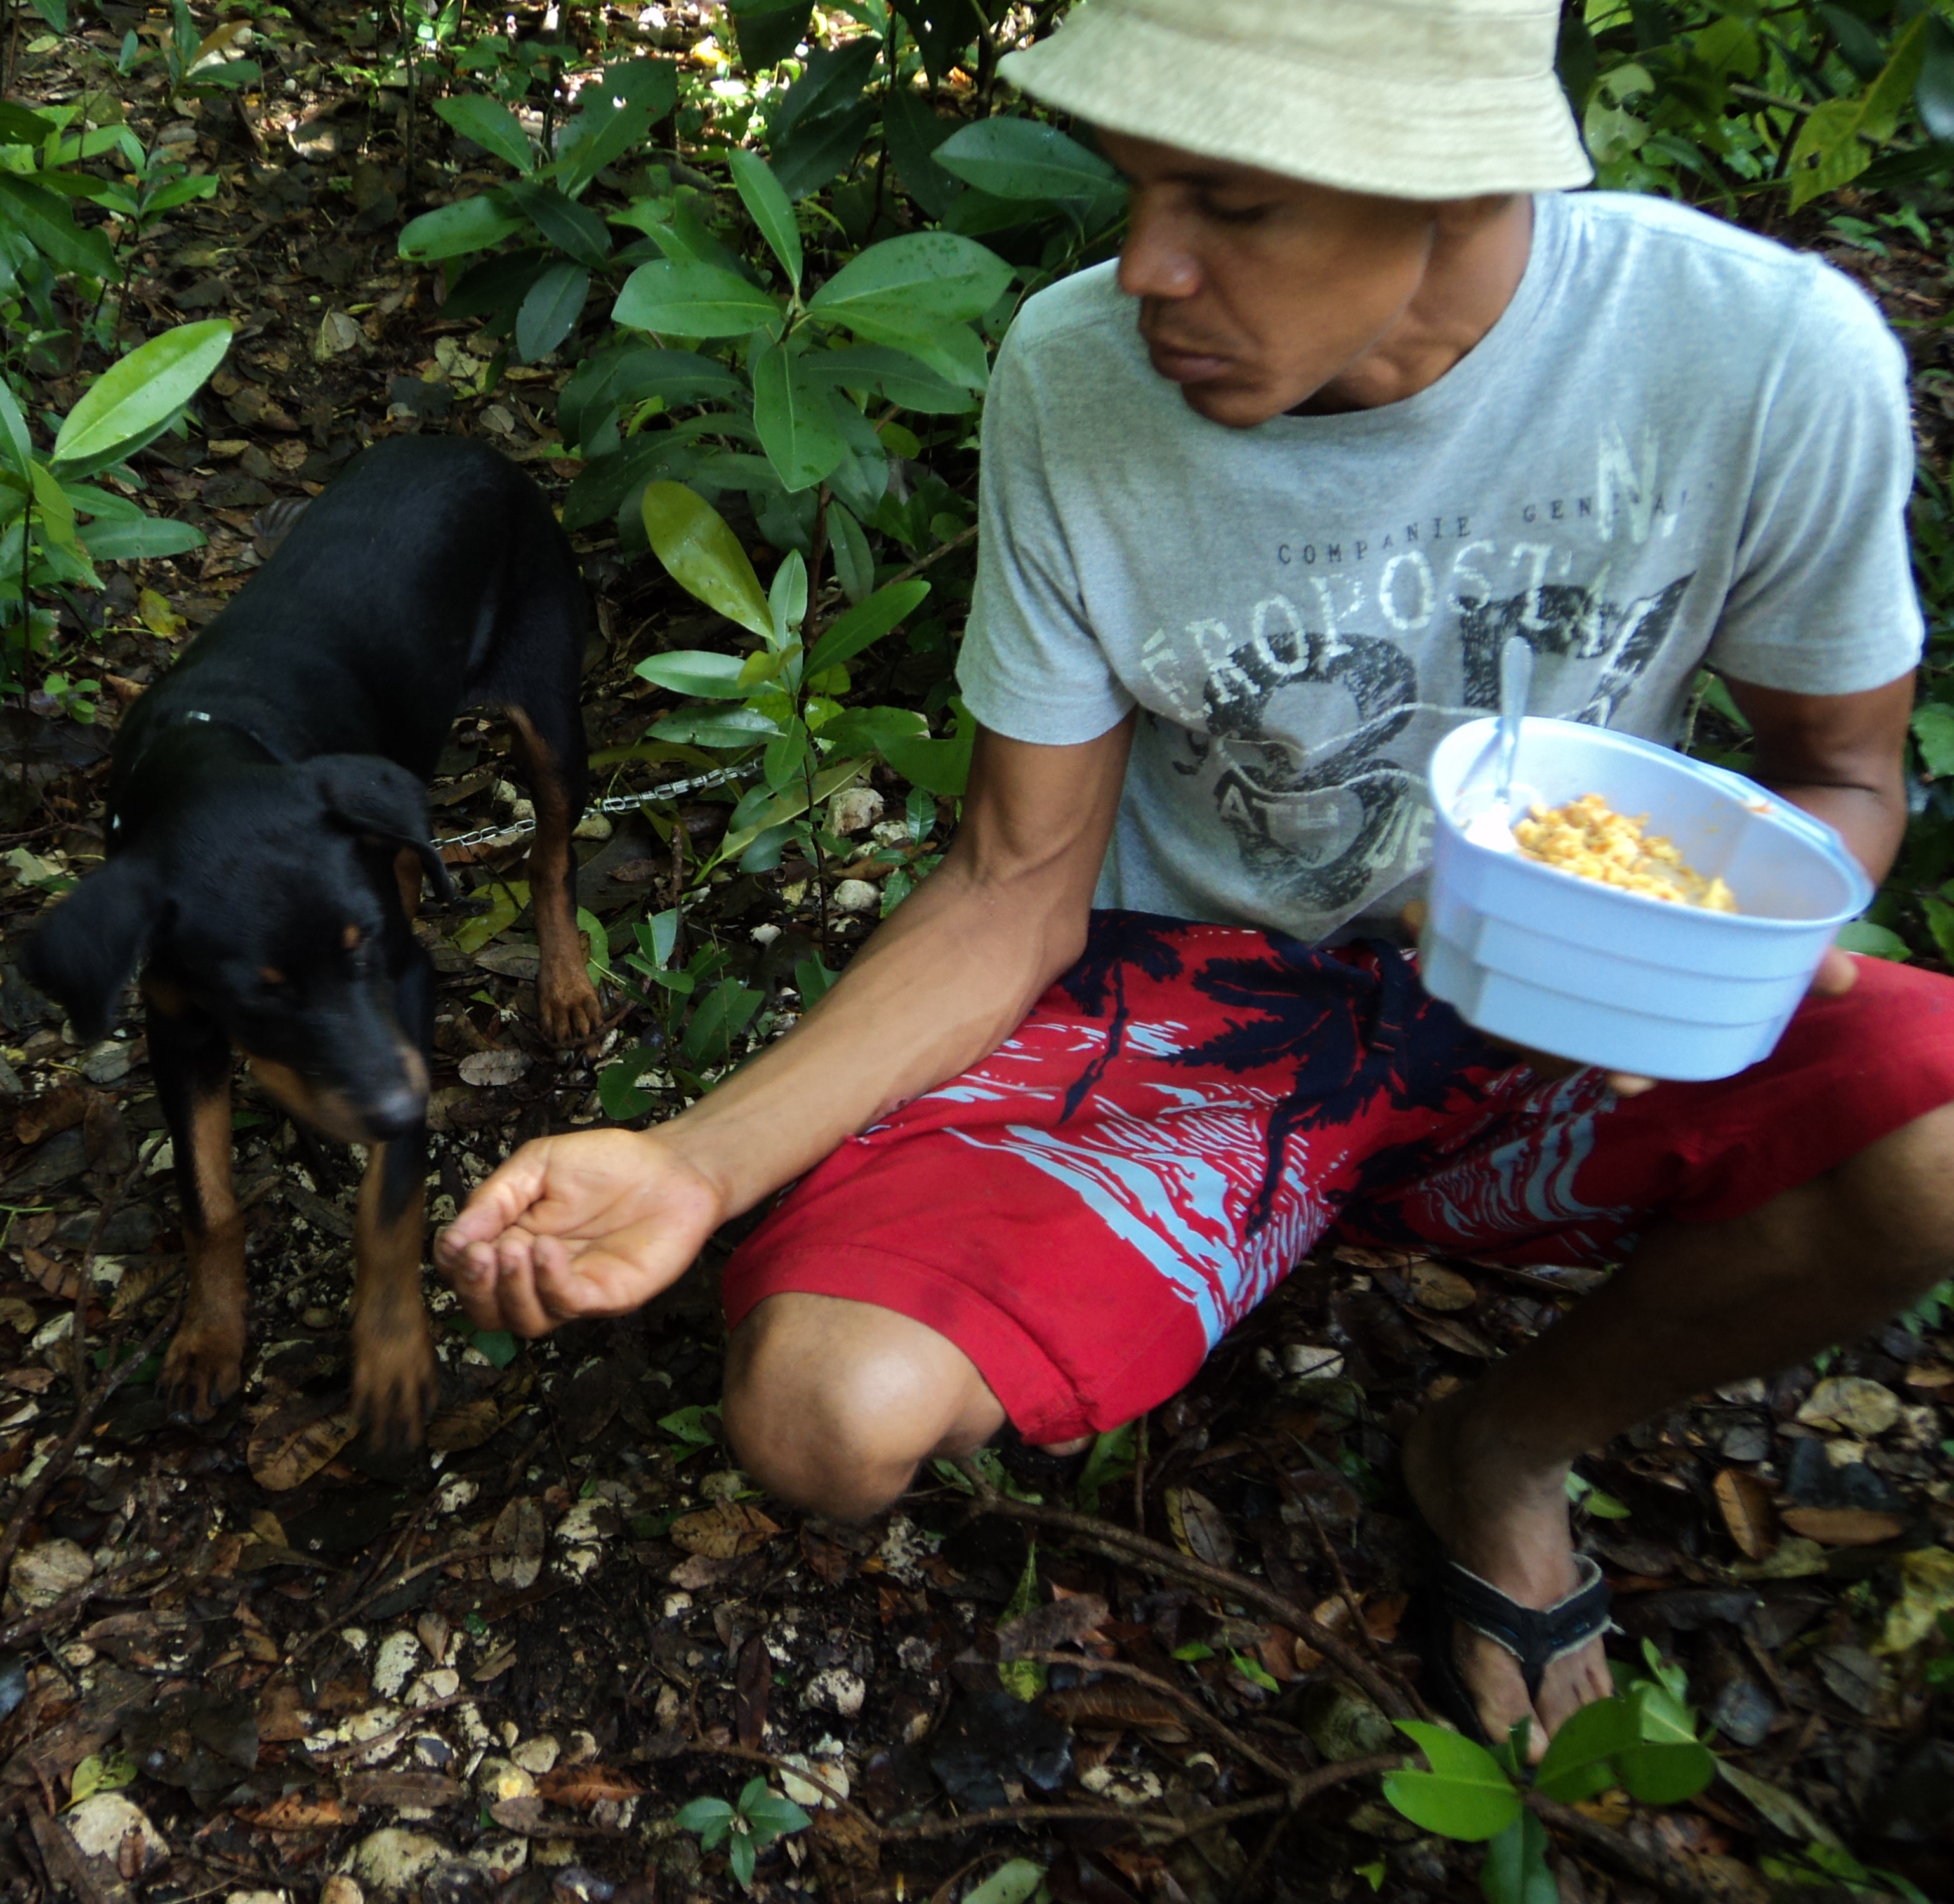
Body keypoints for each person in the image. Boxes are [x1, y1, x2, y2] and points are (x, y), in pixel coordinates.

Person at [436, 0, 1954, 1755]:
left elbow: (1840, 776)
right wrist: (697, 1164)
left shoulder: (1755, 355)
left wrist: (1707, 946)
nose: (1147, 268)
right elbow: (1014, 880)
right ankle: (1212, 1223)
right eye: (1140, 185)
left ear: (1461, 183)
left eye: (1233, 203)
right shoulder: (1078, 374)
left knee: (1934, 1139)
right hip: (1199, 1008)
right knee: (828, 1414)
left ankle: (1504, 1446)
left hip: (1562, 986)